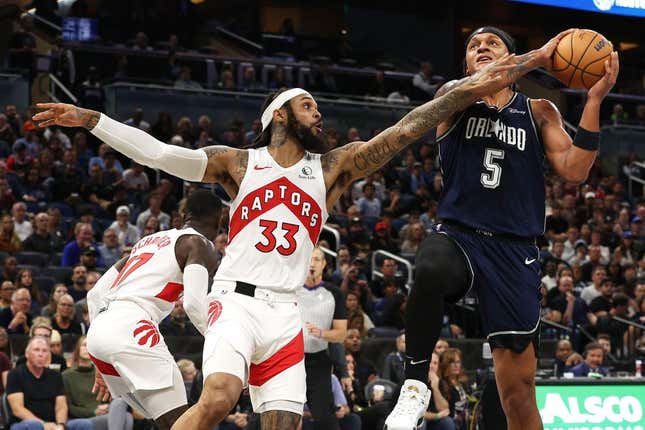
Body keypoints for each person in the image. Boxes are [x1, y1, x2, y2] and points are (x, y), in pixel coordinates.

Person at [34, 54, 530, 430]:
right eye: (307, 106)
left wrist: (468, 90)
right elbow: (162, 154)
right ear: (279, 116)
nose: (319, 114)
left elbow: (404, 131)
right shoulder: (238, 163)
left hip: (286, 312)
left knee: (285, 424)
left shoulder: (333, 167)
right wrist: (94, 120)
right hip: (234, 300)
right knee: (219, 396)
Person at [385, 27, 619, 430]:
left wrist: (594, 100)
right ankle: (414, 386)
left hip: (515, 251)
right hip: (460, 235)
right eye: (474, 46)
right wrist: (541, 56)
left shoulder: (540, 110)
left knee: (518, 393)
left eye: (491, 44)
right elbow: (483, 83)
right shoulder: (454, 98)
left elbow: (576, 170)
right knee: (430, 266)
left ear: (509, 57)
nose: (481, 48)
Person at [83, 190, 221, 430]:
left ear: (183, 214)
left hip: (99, 332)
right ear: (220, 218)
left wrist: (100, 360)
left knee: (169, 422)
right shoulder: (199, 244)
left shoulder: (148, 241)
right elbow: (193, 305)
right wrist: (221, 341)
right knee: (183, 423)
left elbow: (94, 294)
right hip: (133, 327)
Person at [296, 247, 347, 430]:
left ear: (324, 264)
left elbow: (341, 333)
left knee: (325, 418)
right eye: (309, 259)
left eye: (317, 259)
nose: (312, 263)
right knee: (275, 413)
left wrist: (322, 333)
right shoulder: (290, 290)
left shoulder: (334, 294)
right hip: (290, 360)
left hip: (318, 361)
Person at [6, 337, 92, 430]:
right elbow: (17, 409)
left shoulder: (55, 376)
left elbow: (61, 406)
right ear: (27, 354)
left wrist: (61, 425)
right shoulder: (15, 374)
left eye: (45, 351)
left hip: (53, 424)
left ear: (49, 355)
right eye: (36, 350)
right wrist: (43, 425)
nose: (40, 354)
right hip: (24, 424)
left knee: (85, 424)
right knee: (35, 425)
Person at [62, 336, 133, 430]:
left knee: (121, 404)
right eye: (84, 345)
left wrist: (107, 407)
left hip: (105, 414)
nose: (87, 348)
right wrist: (93, 412)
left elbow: (109, 397)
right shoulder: (66, 375)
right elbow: (69, 407)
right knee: (127, 417)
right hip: (83, 418)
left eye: (90, 346)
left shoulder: (100, 373)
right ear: (78, 348)